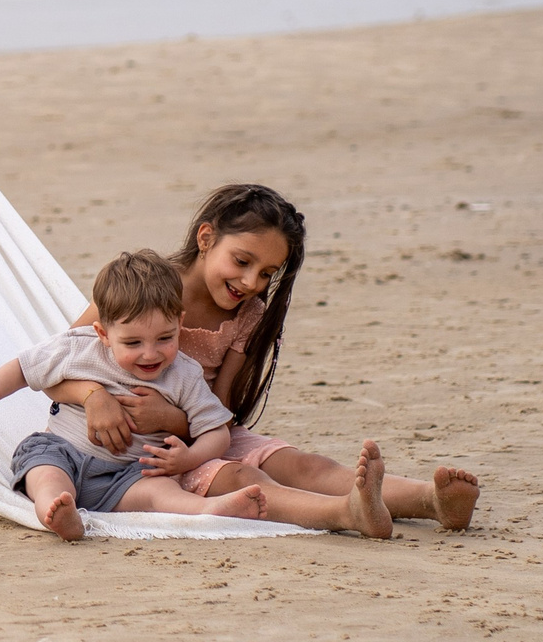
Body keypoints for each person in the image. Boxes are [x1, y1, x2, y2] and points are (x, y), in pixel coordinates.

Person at [64, 184, 481, 529]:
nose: (250, 282)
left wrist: (173, 418)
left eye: (266, 273)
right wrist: (92, 397)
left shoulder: (248, 313)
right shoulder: (140, 291)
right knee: (248, 478)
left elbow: (223, 410)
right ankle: (347, 513)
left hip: (206, 433)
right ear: (205, 238)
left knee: (305, 466)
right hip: (146, 453)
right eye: (242, 261)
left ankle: (430, 500)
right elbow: (57, 359)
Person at [0, 251, 392, 541]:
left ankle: (215, 509)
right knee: (44, 470)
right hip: (66, 450)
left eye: (165, 337)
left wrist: (188, 459)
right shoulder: (78, 349)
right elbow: (22, 368)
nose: (151, 354)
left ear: (180, 324)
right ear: (103, 333)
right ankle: (58, 510)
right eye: (133, 344)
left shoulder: (182, 372)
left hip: (130, 475)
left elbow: (217, 430)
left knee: (164, 493)